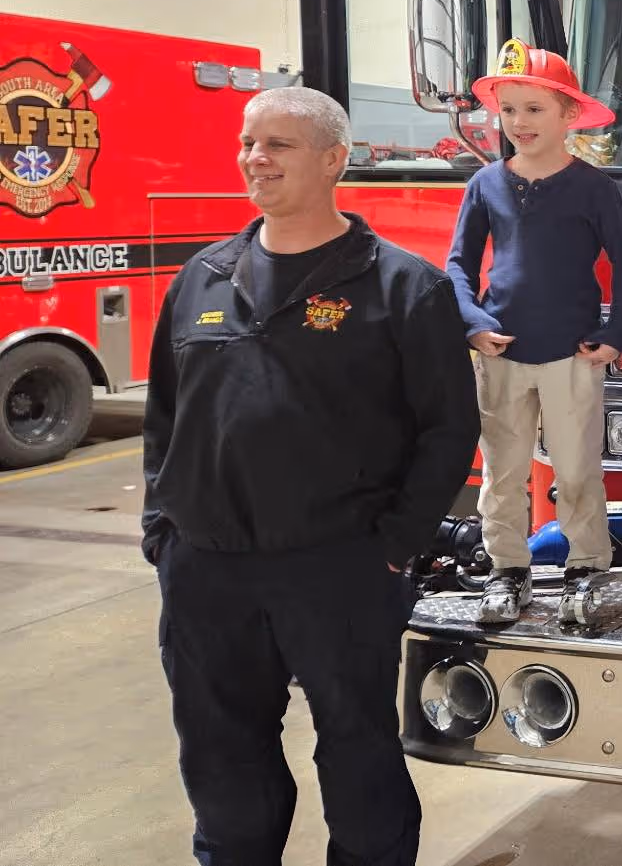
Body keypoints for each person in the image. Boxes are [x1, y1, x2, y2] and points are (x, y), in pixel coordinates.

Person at [140, 86, 480, 864]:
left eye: (277, 145)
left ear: (335, 160)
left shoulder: (401, 287)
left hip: (339, 566)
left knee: (357, 750)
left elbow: (448, 429)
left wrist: (394, 543)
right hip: (206, 569)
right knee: (220, 752)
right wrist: (163, 530)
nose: (254, 158)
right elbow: (165, 415)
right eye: (247, 142)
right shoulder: (203, 276)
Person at [444, 39, 622, 624]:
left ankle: (586, 570)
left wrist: (617, 335)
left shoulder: (592, 187)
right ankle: (507, 571)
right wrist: (474, 323)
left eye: (534, 109)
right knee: (502, 473)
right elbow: (459, 264)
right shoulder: (485, 185)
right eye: (508, 109)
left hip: (572, 356)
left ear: (568, 115)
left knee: (578, 469)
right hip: (501, 354)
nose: (519, 123)